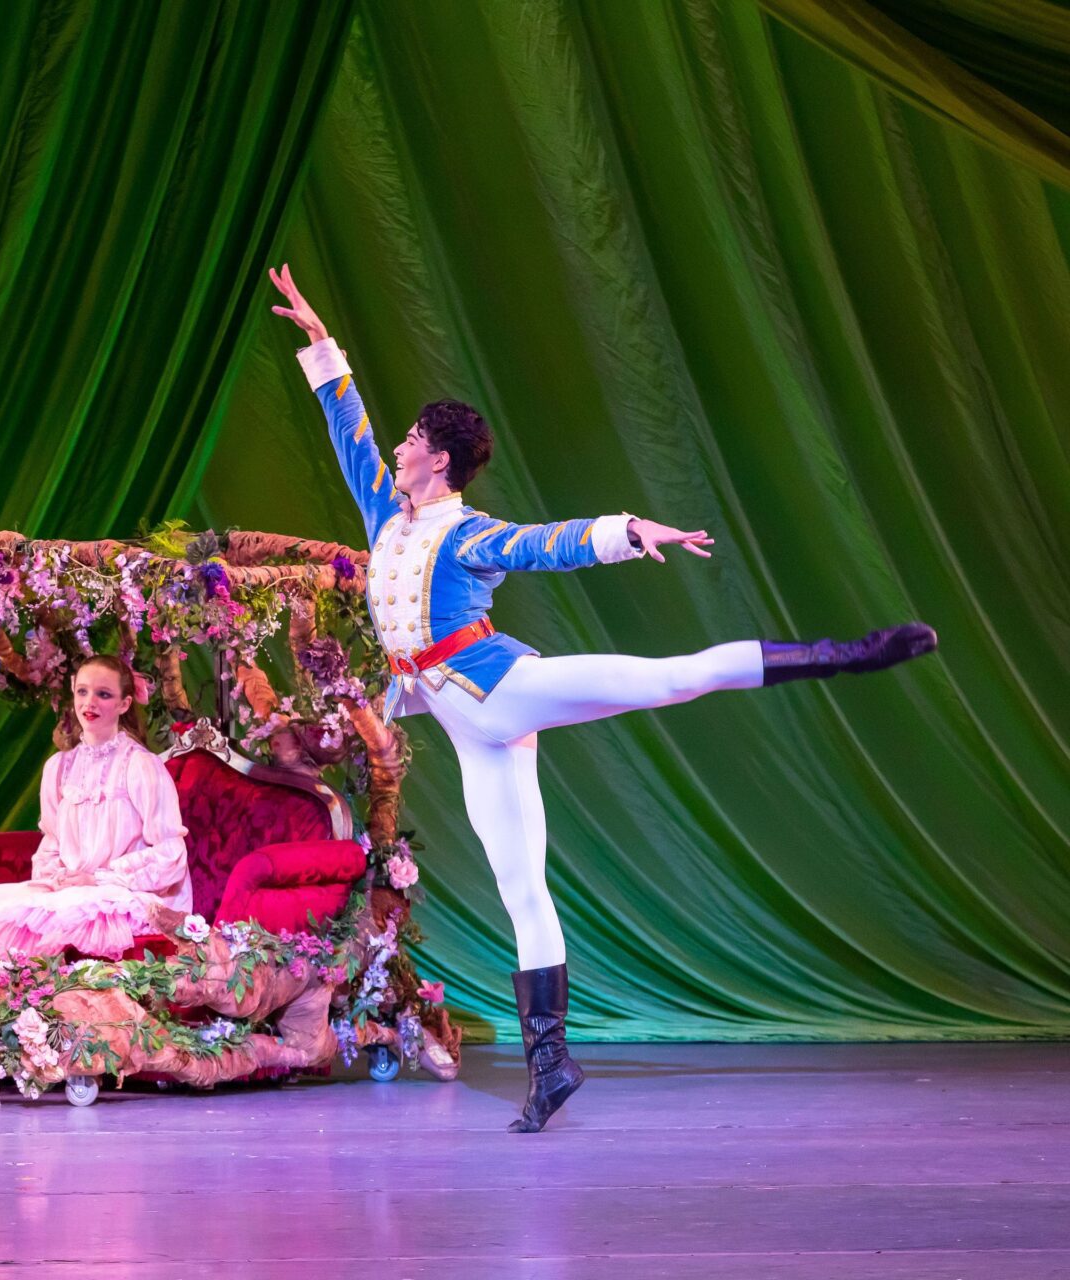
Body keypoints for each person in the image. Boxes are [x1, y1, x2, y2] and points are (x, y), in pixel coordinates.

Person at [268, 264, 937, 1133]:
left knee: (668, 677)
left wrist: (631, 530)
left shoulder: (468, 532)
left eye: (408, 442)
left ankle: (843, 655)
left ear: (437, 458)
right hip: (462, 722)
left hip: (499, 689)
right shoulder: (383, 511)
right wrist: (321, 344)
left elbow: (548, 543)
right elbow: (347, 431)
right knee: (522, 887)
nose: (393, 450)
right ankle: (551, 1062)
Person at [0, 655, 192, 961]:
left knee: (56, 922)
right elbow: (52, 842)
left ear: (124, 703)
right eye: (83, 691)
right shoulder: (59, 767)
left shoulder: (140, 766)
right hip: (72, 888)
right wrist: (57, 875)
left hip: (124, 892)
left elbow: (170, 853)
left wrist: (101, 878)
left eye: (103, 694)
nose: (89, 702)